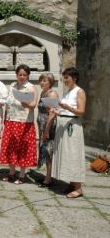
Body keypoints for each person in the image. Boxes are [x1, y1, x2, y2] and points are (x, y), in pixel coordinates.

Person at [0, 64, 38, 184]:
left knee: (22, 148)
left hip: (24, 122)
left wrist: (26, 104)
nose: (22, 77)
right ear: (16, 75)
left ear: (28, 76)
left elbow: (33, 105)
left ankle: (22, 175)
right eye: (20, 74)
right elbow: (8, 103)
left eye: (25, 75)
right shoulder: (12, 86)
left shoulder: (31, 88)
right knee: (10, 147)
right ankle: (12, 172)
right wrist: (5, 118)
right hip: (11, 120)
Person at [51, 67, 86, 198]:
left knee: (73, 155)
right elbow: (65, 110)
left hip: (73, 126)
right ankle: (72, 183)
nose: (64, 80)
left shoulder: (79, 91)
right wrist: (58, 111)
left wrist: (67, 107)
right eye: (64, 77)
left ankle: (78, 188)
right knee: (67, 155)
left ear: (74, 78)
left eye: (67, 77)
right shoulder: (67, 92)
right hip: (64, 125)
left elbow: (81, 111)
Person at [37, 73, 58, 187]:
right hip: (42, 124)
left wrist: (46, 131)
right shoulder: (43, 92)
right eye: (41, 80)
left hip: (48, 125)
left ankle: (49, 178)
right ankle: (47, 175)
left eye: (44, 81)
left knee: (48, 150)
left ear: (50, 82)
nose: (41, 83)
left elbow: (52, 113)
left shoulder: (52, 94)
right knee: (44, 149)